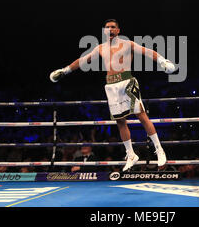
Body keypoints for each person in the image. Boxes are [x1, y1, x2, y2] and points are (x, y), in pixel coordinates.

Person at [49, 19, 177, 171]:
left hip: (127, 81)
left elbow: (147, 52)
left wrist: (163, 62)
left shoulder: (127, 44)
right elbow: (82, 60)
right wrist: (65, 70)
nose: (110, 29)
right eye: (107, 27)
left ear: (118, 30)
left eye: (113, 27)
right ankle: (131, 154)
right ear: (104, 31)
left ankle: (159, 150)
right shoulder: (100, 48)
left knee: (141, 115)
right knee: (120, 122)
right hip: (111, 86)